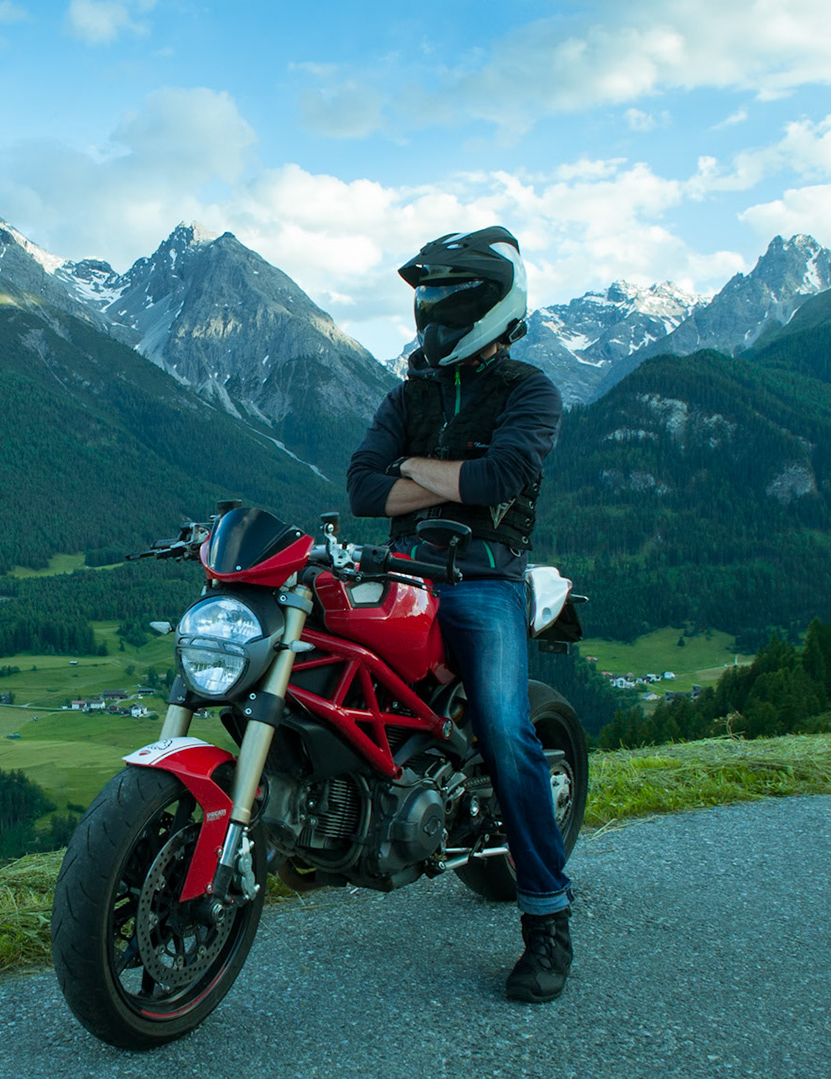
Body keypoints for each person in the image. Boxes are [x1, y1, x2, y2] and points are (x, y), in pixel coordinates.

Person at [345, 226, 572, 1003]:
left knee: (507, 731)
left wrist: (411, 469)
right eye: (426, 296)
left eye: (448, 296)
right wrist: (452, 478)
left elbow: (504, 474)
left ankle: (547, 915)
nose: (433, 310)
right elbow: (362, 490)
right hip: (402, 572)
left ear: (490, 303)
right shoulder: (409, 393)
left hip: (484, 580)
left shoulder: (530, 390)